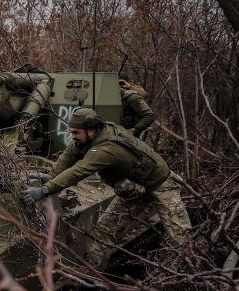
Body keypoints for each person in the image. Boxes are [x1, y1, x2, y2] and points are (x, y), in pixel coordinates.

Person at [22, 107, 190, 270]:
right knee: (103, 234)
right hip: (133, 189)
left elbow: (80, 170)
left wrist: (45, 190)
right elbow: (71, 153)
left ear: (91, 130)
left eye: (75, 133)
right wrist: (53, 175)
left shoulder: (106, 148)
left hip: (161, 184)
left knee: (181, 240)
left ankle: (188, 278)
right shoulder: (96, 132)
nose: (72, 137)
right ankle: (94, 280)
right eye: (71, 132)